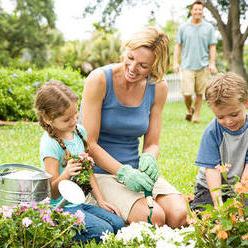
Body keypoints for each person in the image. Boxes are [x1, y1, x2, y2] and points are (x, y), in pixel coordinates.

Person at [79, 26, 188, 228]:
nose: (132, 68)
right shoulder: (99, 79)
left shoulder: (158, 87)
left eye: (143, 66)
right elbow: (89, 144)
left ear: (156, 66)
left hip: (136, 172)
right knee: (154, 218)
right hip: (100, 173)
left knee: (179, 214)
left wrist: (149, 158)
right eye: (130, 58)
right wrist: (124, 173)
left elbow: (152, 143)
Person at [34, 80, 125, 244]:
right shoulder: (50, 144)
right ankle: (59, 236)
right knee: (104, 231)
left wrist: (101, 201)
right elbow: (51, 192)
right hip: (60, 209)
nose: (74, 120)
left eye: (76, 114)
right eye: (67, 119)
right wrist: (67, 173)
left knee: (118, 224)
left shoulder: (78, 132)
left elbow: (88, 171)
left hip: (79, 203)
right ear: (48, 118)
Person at [190, 72, 248, 212]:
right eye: (220, 117)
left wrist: (240, 199)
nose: (229, 121)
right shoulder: (212, 132)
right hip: (211, 187)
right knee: (206, 213)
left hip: (242, 185)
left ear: (246, 104)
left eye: (234, 114)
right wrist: (218, 205)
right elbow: (212, 170)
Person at [173, 0, 218, 123]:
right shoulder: (183, 27)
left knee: (199, 93)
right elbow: (178, 45)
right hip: (187, 65)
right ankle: (189, 110)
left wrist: (212, 63)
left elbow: (212, 46)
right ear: (191, 11)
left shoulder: (208, 27)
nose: (198, 11)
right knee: (187, 93)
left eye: (200, 9)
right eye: (195, 9)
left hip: (203, 66)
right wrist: (175, 62)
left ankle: (196, 117)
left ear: (202, 11)